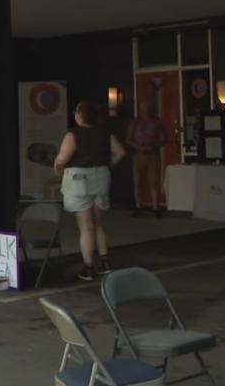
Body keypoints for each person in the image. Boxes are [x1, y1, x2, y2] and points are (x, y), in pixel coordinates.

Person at [53, 100, 126, 282]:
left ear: (80, 114)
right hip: (101, 177)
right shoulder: (105, 132)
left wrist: (57, 168)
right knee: (98, 223)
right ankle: (105, 262)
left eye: (76, 111)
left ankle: (88, 267)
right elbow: (120, 152)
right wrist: (106, 165)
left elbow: (62, 159)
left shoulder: (73, 134)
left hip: (80, 181)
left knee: (86, 227)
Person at [125, 101, 166, 217]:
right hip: (138, 154)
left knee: (154, 181)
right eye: (143, 108)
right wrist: (139, 146)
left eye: (147, 107)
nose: (145, 110)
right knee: (137, 181)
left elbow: (163, 139)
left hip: (153, 154)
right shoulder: (134, 123)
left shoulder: (157, 122)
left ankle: (155, 207)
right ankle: (139, 206)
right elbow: (128, 139)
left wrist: (154, 145)